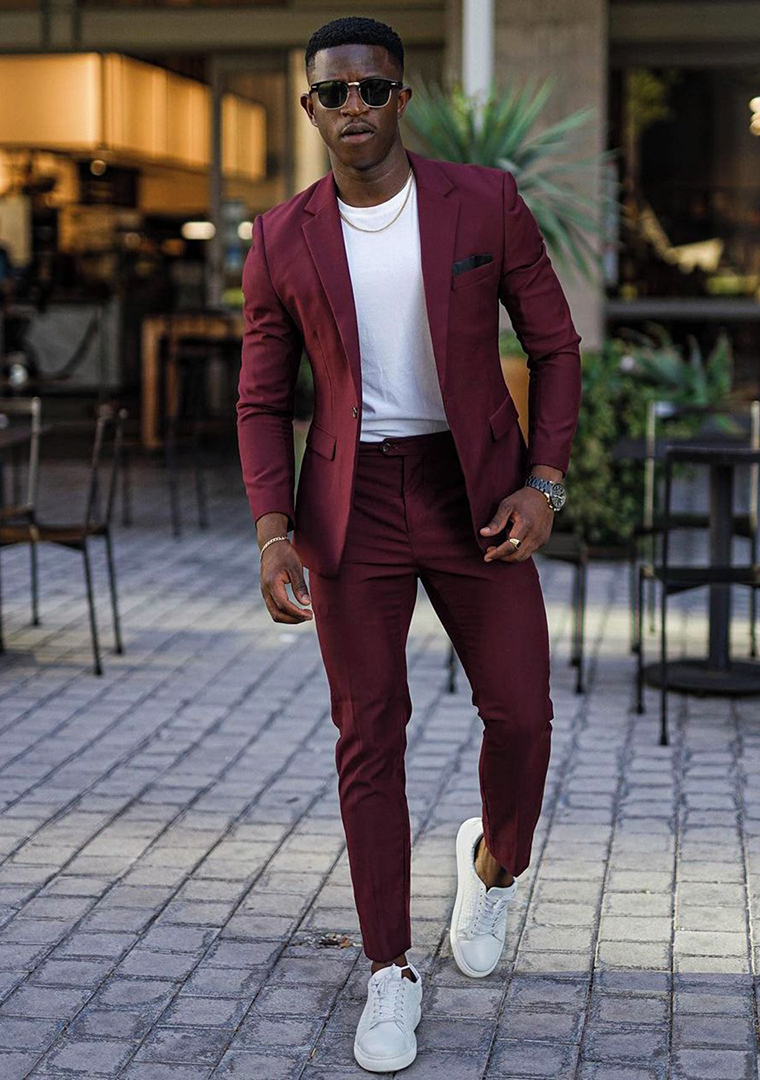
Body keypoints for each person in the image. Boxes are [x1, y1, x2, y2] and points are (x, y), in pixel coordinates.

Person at [236, 15, 582, 1074]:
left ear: (402, 98)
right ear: (310, 108)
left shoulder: (484, 201)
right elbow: (260, 400)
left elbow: (556, 346)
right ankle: (389, 970)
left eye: (371, 90)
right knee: (367, 734)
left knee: (522, 713)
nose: (353, 110)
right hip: (353, 503)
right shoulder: (279, 237)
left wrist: (545, 480)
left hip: (470, 488)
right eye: (332, 95)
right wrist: (270, 531)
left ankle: (492, 865)